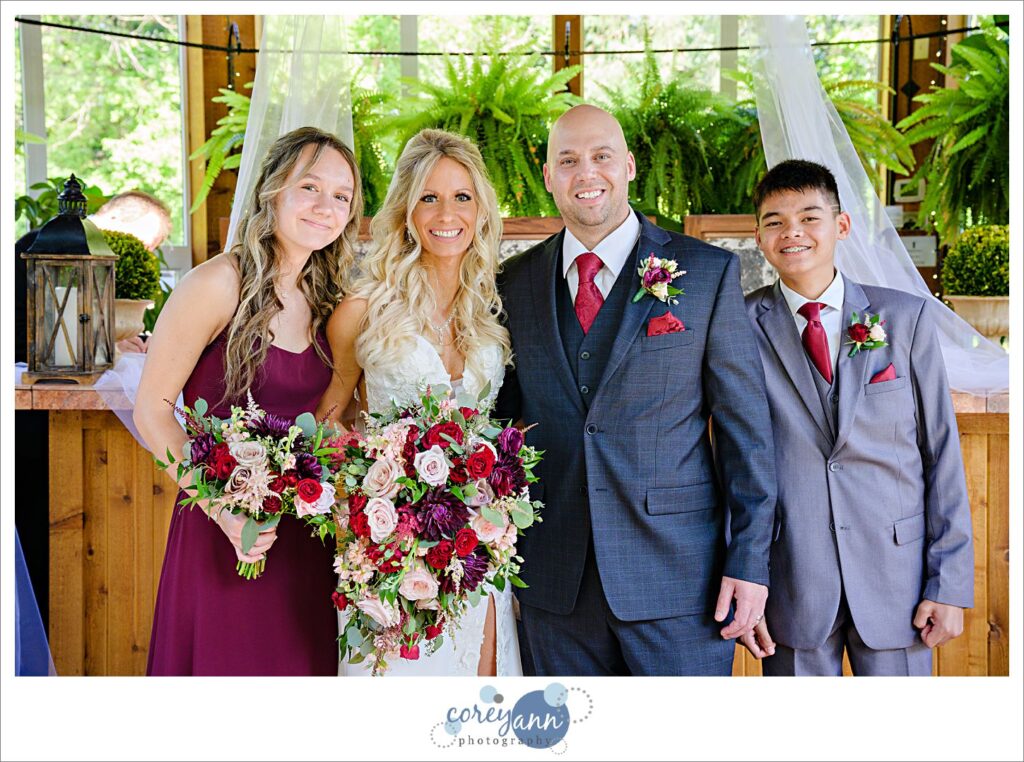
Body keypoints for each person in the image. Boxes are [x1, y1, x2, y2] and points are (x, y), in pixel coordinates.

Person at [494, 104, 776, 676]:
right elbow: (504, 429)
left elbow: (747, 431)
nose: (586, 173)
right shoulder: (514, 283)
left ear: (628, 165)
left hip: (679, 583)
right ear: (548, 176)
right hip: (554, 585)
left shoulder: (706, 272)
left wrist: (750, 563)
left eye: (601, 156)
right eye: (567, 160)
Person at [133, 126, 363, 675]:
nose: (325, 206)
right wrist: (222, 509)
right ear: (273, 190)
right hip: (223, 536)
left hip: (305, 541)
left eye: (341, 196)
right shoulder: (216, 284)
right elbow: (153, 411)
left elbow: (335, 419)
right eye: (310, 187)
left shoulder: (332, 299)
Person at [741, 159, 974, 675]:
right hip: (791, 583)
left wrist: (950, 583)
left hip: (900, 582)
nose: (792, 232)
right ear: (758, 237)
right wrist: (746, 578)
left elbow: (942, 455)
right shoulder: (737, 327)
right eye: (775, 221)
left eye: (809, 217)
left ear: (841, 226)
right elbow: (728, 464)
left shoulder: (905, 319)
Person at [316, 128, 520, 676]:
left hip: (478, 548)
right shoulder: (363, 310)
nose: (445, 213)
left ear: (480, 209)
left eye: (461, 197)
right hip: (390, 554)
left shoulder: (492, 310)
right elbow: (328, 425)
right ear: (406, 209)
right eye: (428, 197)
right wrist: (374, 514)